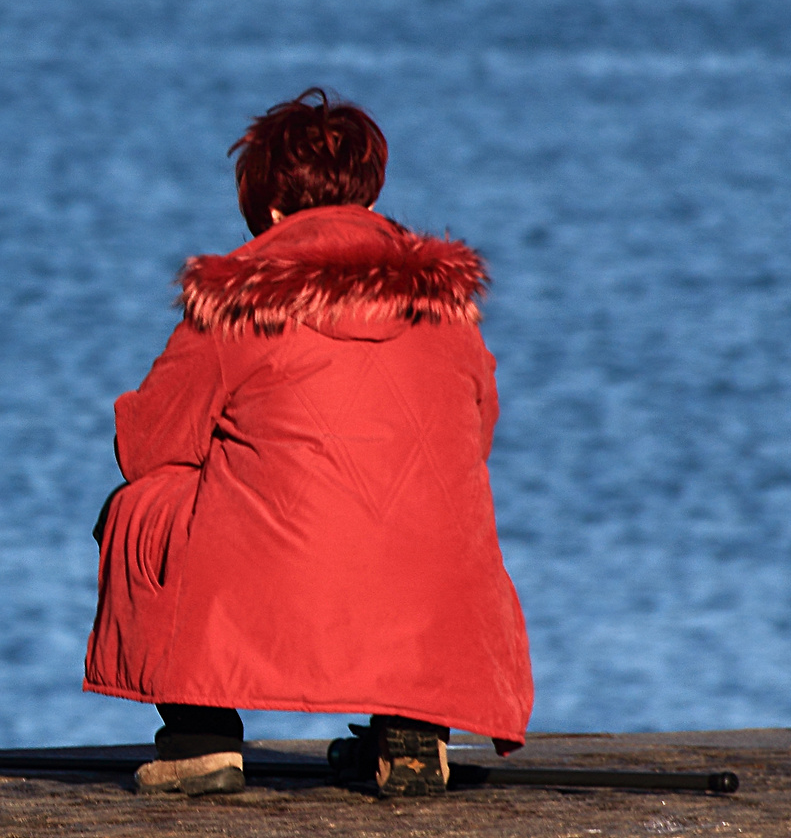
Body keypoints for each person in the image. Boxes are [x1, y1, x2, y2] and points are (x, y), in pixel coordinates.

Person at [84, 88, 533, 798]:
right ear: (369, 189)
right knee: (428, 495)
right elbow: (476, 433)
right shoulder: (448, 305)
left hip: (274, 570)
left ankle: (200, 741)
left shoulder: (239, 296)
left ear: (266, 208)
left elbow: (148, 447)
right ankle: (409, 728)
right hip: (428, 586)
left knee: (141, 502)